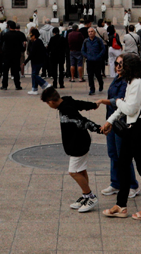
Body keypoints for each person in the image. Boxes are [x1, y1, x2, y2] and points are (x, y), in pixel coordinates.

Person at [99, 52, 141, 221]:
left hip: (139, 129)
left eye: (121, 65)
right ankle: (121, 205)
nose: (118, 67)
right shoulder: (131, 82)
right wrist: (110, 121)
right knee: (123, 165)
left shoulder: (138, 83)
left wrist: (117, 101)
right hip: (131, 129)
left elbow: (130, 108)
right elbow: (124, 107)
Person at [41, 86, 101, 214]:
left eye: (47, 103)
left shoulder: (66, 108)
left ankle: (90, 197)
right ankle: (85, 196)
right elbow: (80, 104)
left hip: (78, 143)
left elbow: (83, 121)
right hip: (80, 141)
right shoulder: (66, 101)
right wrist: (93, 105)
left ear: (51, 101)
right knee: (81, 169)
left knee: (73, 172)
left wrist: (98, 129)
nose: (48, 105)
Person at [100, 54, 140, 198]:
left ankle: (132, 185)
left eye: (121, 64)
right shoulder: (117, 79)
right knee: (113, 153)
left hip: (122, 122)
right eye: (117, 64)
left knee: (123, 154)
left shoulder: (129, 82)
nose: (118, 67)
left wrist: (103, 101)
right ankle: (116, 183)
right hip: (112, 120)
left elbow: (120, 101)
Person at [0, 20, 25, 91]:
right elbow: (21, 45)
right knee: (16, 71)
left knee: (5, 71)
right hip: (16, 55)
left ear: (9, 27)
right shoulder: (18, 35)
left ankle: (4, 85)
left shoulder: (6, 34)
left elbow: (2, 43)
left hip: (7, 55)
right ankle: (17, 85)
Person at [83, 26, 106, 95]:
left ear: (95, 32)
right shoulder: (86, 41)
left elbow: (103, 49)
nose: (90, 33)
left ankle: (101, 84)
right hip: (89, 61)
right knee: (90, 75)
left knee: (98, 74)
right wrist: (87, 56)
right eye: (89, 32)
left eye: (92, 31)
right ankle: (92, 89)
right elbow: (83, 50)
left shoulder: (98, 40)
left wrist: (99, 56)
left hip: (97, 61)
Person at [26, 28, 49, 95]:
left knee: (34, 75)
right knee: (34, 74)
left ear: (34, 36)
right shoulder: (38, 41)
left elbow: (32, 53)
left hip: (37, 61)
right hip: (37, 61)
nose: (30, 37)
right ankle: (34, 88)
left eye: (31, 36)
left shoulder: (36, 43)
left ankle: (45, 84)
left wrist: (25, 62)